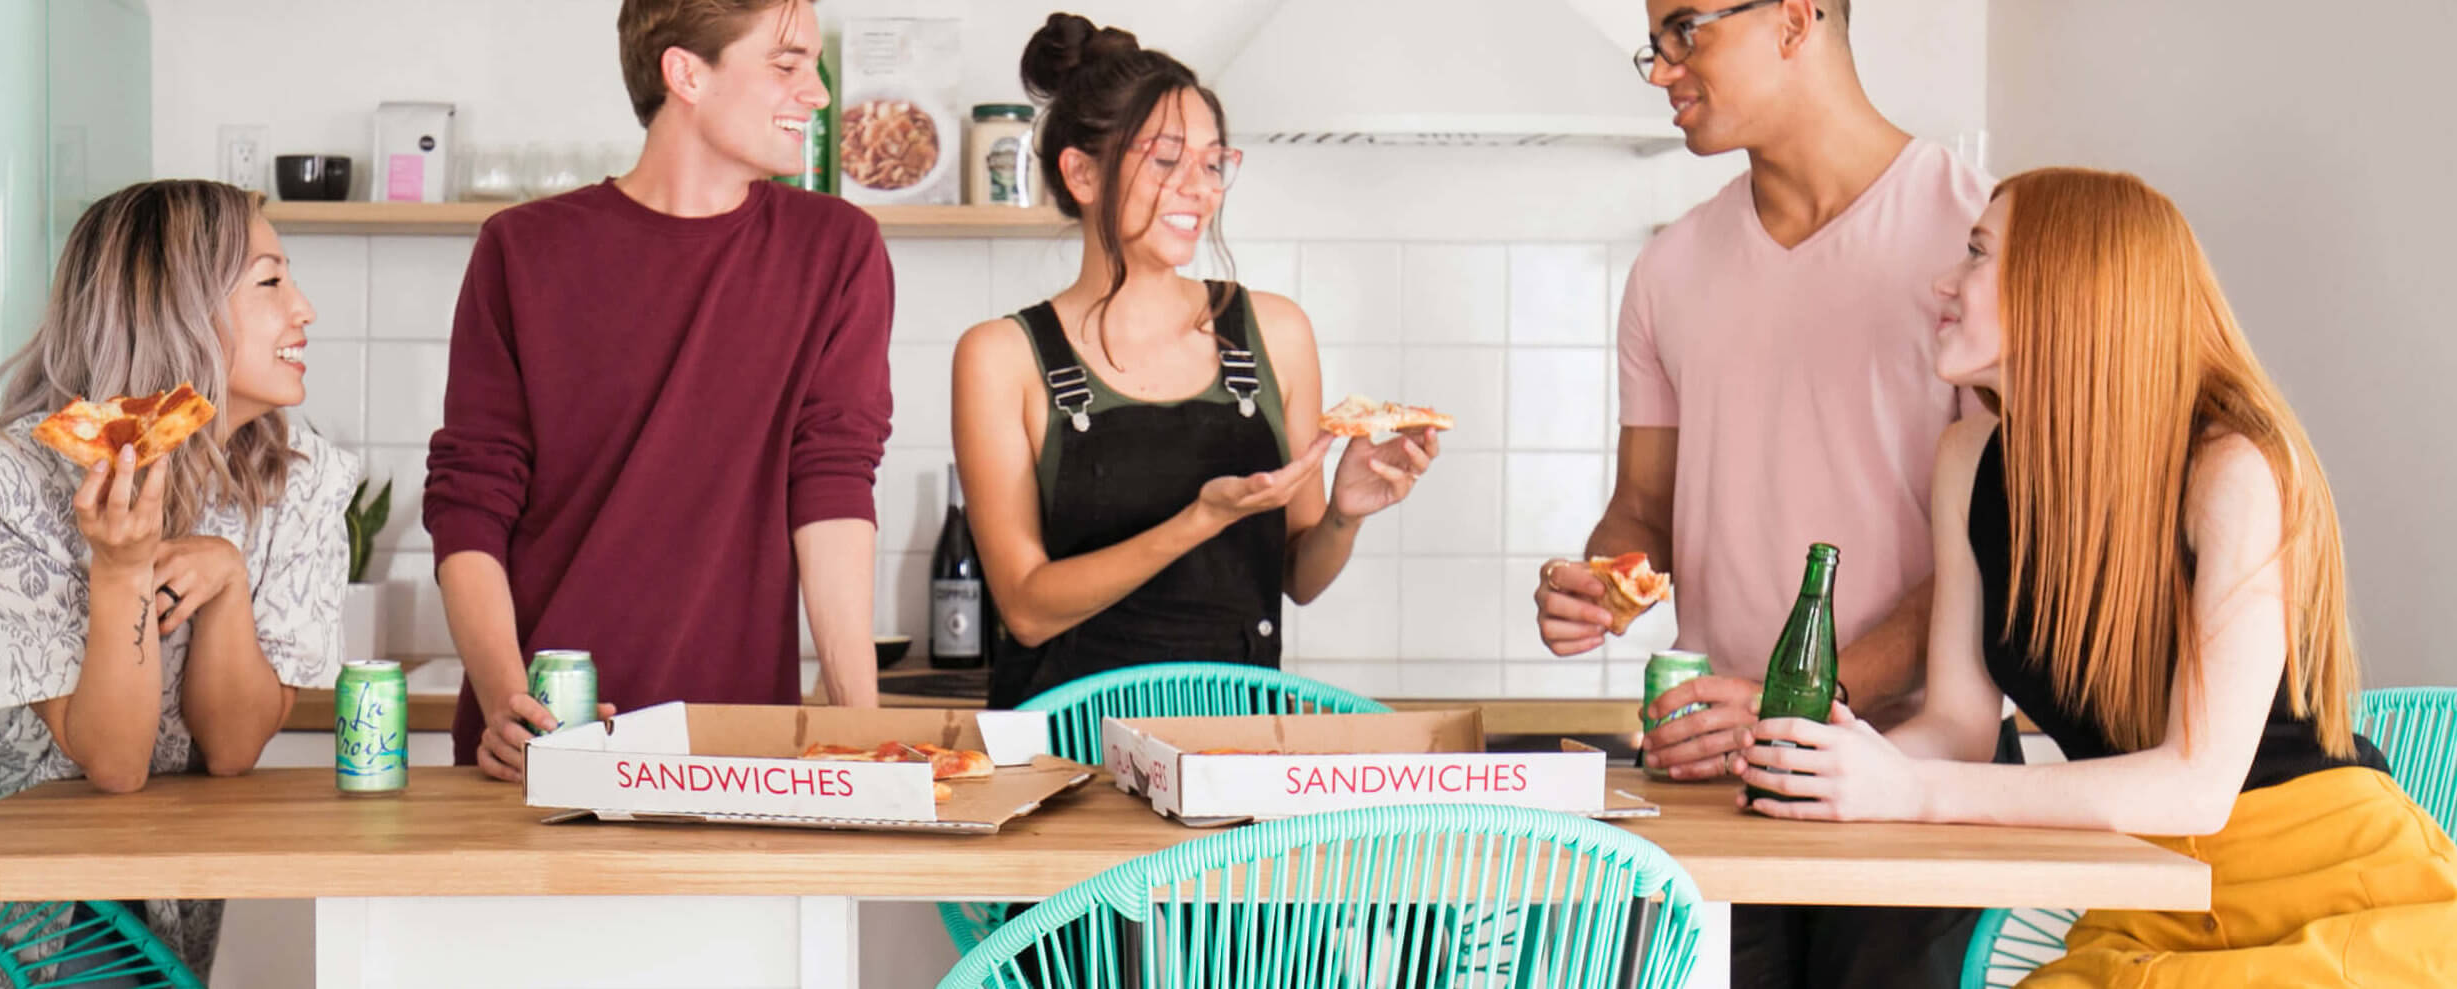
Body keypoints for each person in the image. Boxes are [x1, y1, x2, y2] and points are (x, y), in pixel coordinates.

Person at [1739, 166, 2457, 986]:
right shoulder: (1968, 462)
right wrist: (1829, 765)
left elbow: (2196, 786)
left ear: (2065, 285)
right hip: (2155, 893)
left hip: (2330, 880)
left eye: (1977, 253)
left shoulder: (2233, 468)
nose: (1944, 281)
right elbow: (1959, 726)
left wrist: (1912, 791)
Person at [1529, 1, 2003, 984]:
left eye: (1686, 30)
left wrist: (1800, 704)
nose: (1662, 69)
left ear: (1793, 20)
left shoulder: (1977, 243)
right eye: (1654, 43)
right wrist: (1604, 580)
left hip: (1913, 769)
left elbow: (1998, 545)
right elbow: (1643, 506)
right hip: (1716, 774)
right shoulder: (1668, 267)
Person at [427, 0, 894, 781]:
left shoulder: (838, 251)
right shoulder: (522, 250)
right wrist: (510, 700)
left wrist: (865, 734)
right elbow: (470, 499)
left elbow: (834, 484)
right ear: (686, 74)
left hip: (736, 753)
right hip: (541, 749)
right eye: (787, 63)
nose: (817, 92)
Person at [952, 13, 1436, 709]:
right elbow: (1026, 607)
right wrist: (1199, 519)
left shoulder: (1276, 334)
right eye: (1165, 160)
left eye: (1212, 163)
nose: (1200, 187)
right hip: (1064, 754)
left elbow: (1298, 577)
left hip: (1233, 747)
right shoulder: (1002, 358)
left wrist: (1344, 514)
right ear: (1082, 173)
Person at [0, 179, 358, 981]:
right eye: (270, 282)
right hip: (16, 921)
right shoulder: (8, 482)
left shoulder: (303, 480)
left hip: (165, 912)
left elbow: (233, 748)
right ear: (174, 310)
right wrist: (120, 569)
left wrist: (227, 583)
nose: (304, 309)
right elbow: (114, 764)